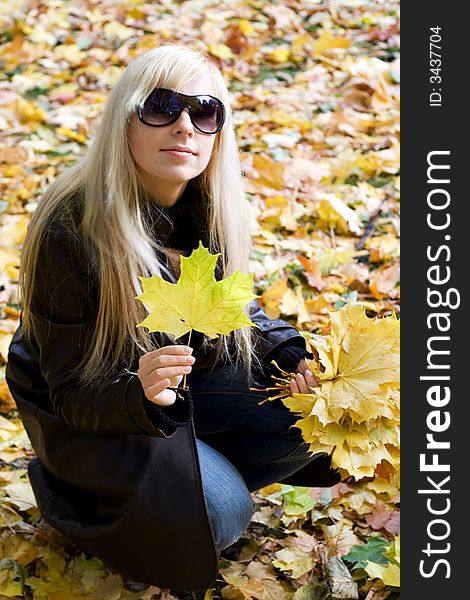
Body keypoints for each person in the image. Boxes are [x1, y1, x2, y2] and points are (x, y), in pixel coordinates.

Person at [5, 45, 340, 592]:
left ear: (217, 132)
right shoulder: (72, 223)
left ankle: (179, 486)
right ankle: (93, 497)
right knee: (223, 517)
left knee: (314, 419)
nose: (184, 125)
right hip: (89, 409)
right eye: (161, 106)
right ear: (124, 120)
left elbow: (233, 312)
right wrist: (139, 394)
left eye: (204, 111)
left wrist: (287, 351)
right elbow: (67, 387)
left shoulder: (211, 204)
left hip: (179, 385)